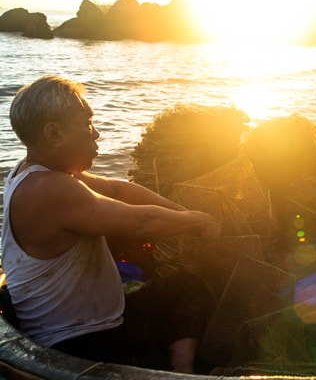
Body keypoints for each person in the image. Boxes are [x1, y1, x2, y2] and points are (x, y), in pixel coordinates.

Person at [1, 76, 222, 373]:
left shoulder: (33, 172)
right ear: (54, 134)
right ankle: (181, 372)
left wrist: (182, 211)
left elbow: (118, 190)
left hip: (79, 326)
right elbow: (140, 222)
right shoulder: (48, 189)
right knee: (189, 290)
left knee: (178, 287)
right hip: (80, 341)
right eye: (87, 123)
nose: (97, 134)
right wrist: (197, 222)